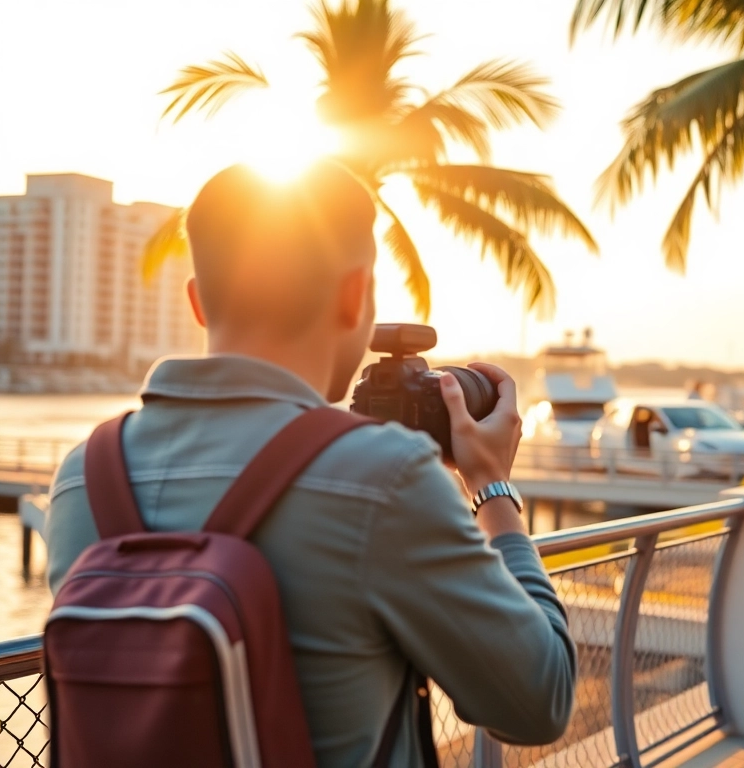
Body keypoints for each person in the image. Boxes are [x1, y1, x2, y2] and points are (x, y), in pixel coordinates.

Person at [44, 163, 576, 765]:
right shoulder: (384, 478)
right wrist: (493, 488)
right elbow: (539, 701)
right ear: (355, 296)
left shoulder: (82, 475)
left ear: (196, 301)